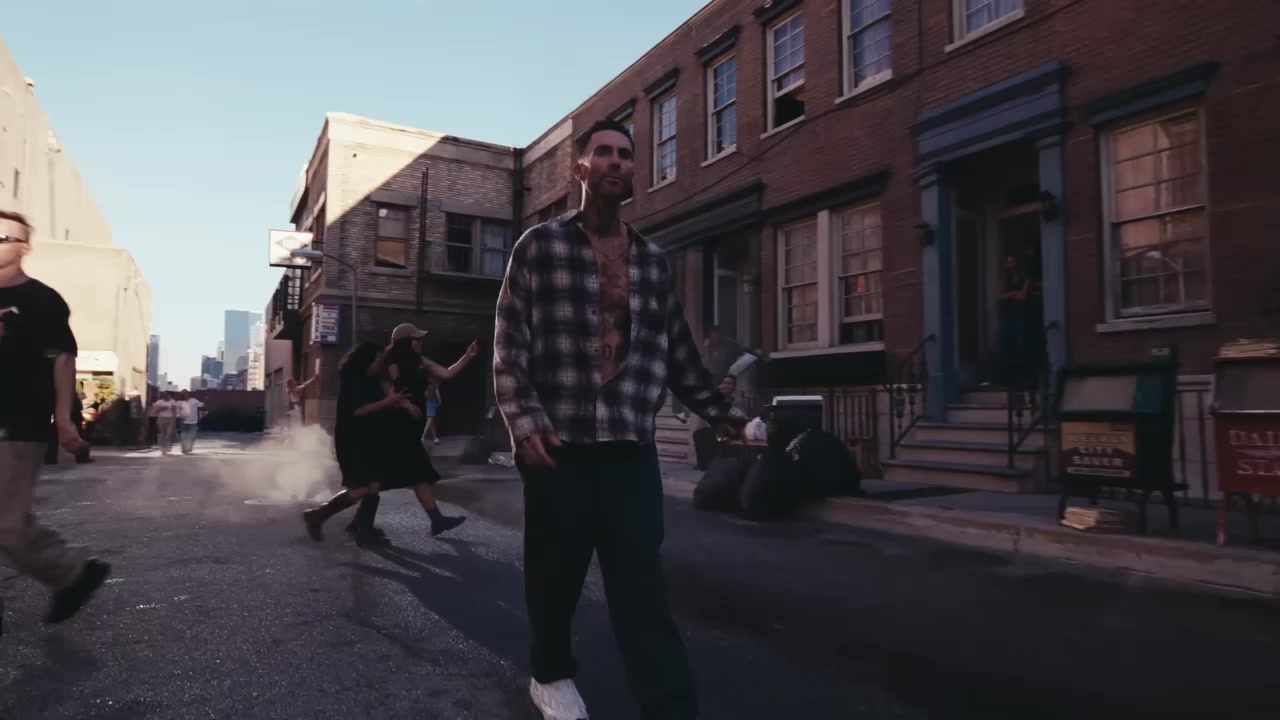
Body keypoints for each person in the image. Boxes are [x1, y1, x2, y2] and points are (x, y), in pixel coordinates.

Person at [495, 119, 744, 720]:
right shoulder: (538, 246)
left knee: (642, 589)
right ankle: (550, 675)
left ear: (634, 171)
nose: (615, 162)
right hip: (560, 446)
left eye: (625, 155)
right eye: (603, 153)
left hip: (630, 450)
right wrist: (522, 420)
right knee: (554, 578)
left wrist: (724, 416)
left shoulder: (653, 262)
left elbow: (678, 351)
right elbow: (509, 340)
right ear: (580, 169)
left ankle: (669, 706)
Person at [0, 209, 111, 624]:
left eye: (4, 238)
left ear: (24, 247)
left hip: (16, 422)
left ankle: (73, 574)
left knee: (7, 525)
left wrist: (63, 420)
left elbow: (62, 359)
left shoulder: (41, 300)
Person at [342, 323, 473, 542]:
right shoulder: (389, 362)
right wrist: (408, 406)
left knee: (394, 476)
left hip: (410, 427)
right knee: (405, 474)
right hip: (394, 426)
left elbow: (447, 373)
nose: (420, 343)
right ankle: (333, 516)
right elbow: (388, 391)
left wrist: (467, 357)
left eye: (420, 339)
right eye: (415, 339)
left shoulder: (420, 360)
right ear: (404, 342)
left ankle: (356, 522)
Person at [301, 341, 415, 546]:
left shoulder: (372, 379)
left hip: (371, 437)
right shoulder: (353, 380)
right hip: (354, 439)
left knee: (374, 484)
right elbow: (359, 410)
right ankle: (319, 515)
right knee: (363, 486)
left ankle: (363, 528)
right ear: (366, 359)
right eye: (377, 359)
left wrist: (393, 397)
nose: (380, 363)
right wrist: (388, 401)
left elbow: (384, 402)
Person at [177, 389, 204, 454]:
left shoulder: (194, 400)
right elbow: (177, 411)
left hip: (193, 421)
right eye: (183, 394)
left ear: (188, 394)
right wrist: (180, 417)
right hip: (184, 421)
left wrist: (205, 401)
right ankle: (184, 448)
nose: (185, 395)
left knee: (192, 435)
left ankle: (189, 447)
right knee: (184, 435)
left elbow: (201, 405)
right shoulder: (180, 402)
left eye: (186, 393)